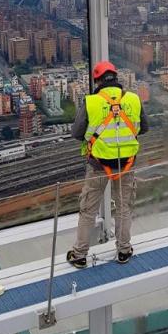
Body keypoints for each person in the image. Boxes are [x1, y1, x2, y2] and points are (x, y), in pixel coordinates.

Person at [67, 61, 149, 268]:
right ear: (115, 77)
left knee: (88, 210)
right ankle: (123, 250)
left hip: (98, 165)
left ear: (97, 80)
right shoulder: (133, 99)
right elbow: (144, 128)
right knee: (123, 208)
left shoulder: (91, 101)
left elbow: (76, 133)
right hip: (126, 164)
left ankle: (79, 255)